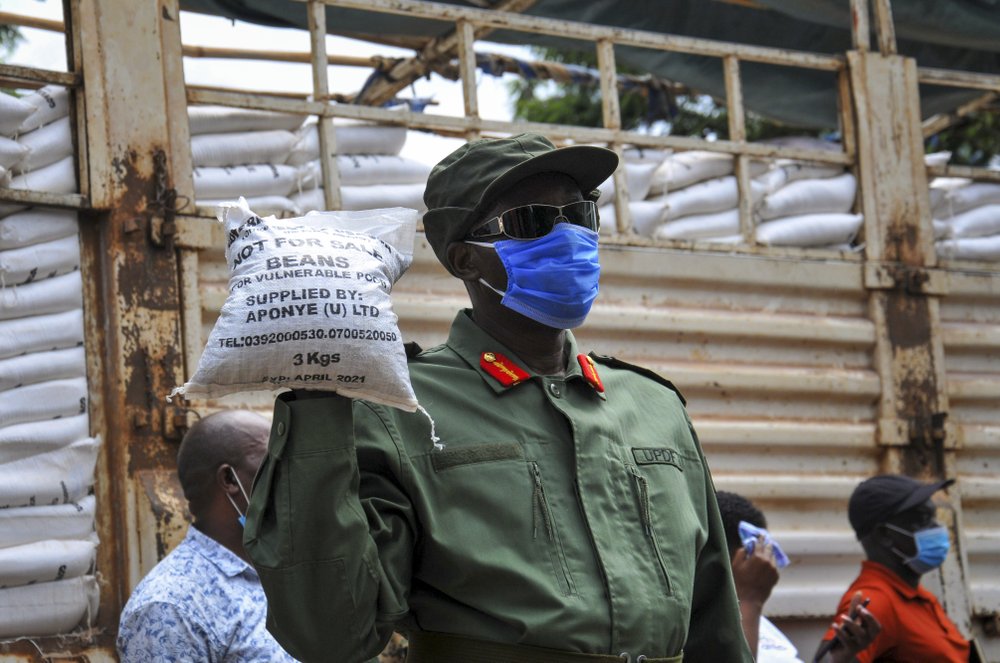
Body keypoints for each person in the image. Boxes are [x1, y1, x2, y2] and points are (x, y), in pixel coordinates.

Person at [245, 133, 753, 663]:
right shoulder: (398, 412)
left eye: (581, 214)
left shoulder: (654, 407)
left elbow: (712, 618)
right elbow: (330, 635)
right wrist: (315, 406)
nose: (569, 236)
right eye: (532, 221)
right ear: (466, 260)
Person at [117, 410, 297, 663]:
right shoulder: (169, 606)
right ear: (229, 479)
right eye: (273, 465)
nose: (290, 478)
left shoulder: (285, 572)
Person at [816, 474, 970, 662]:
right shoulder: (874, 599)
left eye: (933, 517)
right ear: (884, 535)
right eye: (922, 519)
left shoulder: (916, 594)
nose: (936, 527)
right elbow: (830, 658)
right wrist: (845, 656)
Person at [717, 490, 880, 663]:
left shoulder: (760, 626)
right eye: (757, 554)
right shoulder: (694, 629)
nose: (766, 563)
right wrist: (750, 600)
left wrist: (841, 657)